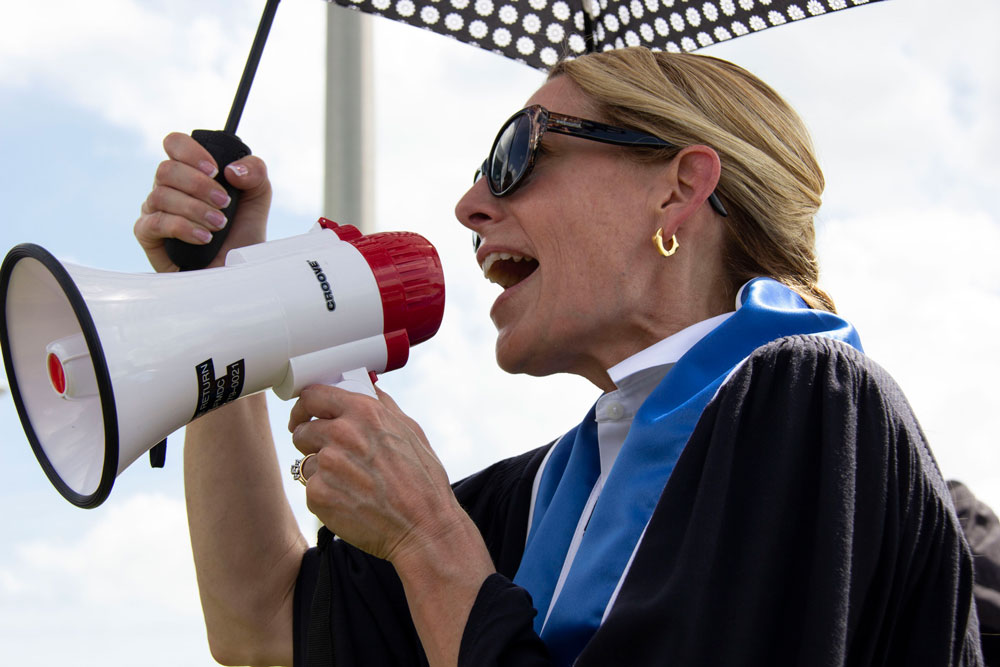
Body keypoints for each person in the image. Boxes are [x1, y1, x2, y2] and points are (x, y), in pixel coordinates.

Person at [134, 48, 984, 666]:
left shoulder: (811, 399)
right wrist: (221, 305)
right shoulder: (547, 494)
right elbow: (262, 622)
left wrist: (430, 540)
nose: (470, 204)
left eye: (517, 154)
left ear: (679, 187)